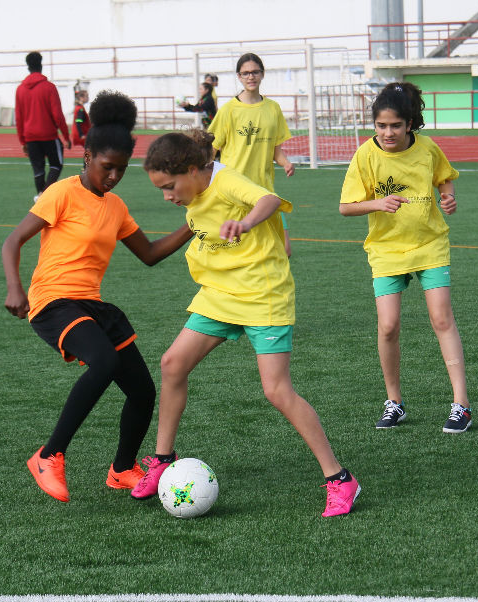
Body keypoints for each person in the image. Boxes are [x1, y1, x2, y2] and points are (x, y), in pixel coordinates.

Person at [132, 129, 360, 518]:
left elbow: (268, 198)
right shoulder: (194, 190)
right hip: (220, 295)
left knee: (276, 390)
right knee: (172, 364)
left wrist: (250, 222)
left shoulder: (225, 180)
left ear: (191, 170)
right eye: (161, 190)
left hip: (262, 296)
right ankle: (162, 460)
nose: (168, 196)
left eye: (170, 186)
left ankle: (340, 480)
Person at [1, 90, 194, 503]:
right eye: (108, 167)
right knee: (104, 362)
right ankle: (48, 455)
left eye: (122, 170)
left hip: (92, 304)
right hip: (53, 302)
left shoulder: (116, 206)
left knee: (143, 391)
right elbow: (13, 241)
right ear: (86, 155)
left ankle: (122, 468)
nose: (113, 177)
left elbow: (150, 254)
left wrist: (193, 224)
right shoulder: (62, 193)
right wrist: (15, 287)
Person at [338, 82, 471, 435]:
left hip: (430, 245)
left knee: (442, 318)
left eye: (395, 125)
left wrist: (449, 198)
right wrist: (377, 203)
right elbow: (346, 207)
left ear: (410, 124)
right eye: (381, 126)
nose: (387, 132)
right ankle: (394, 402)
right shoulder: (365, 155)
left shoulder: (427, 149)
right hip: (386, 251)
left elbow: (445, 180)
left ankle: (461, 404)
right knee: (388, 326)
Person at [207, 53, 295, 256]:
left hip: (264, 190)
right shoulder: (229, 110)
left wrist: (286, 163)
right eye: (245, 73)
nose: (250, 77)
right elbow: (211, 150)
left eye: (255, 72)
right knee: (239, 251)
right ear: (239, 76)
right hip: (235, 190)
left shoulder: (273, 108)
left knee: (285, 250)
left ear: (262, 74)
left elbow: (276, 151)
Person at [15, 51, 71, 201]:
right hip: (48, 135)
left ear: (28, 66)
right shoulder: (49, 87)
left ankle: (41, 198)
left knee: (38, 169)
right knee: (56, 165)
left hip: (30, 137)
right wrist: (66, 136)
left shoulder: (20, 90)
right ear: (41, 65)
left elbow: (18, 118)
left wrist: (23, 141)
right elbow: (57, 115)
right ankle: (44, 196)